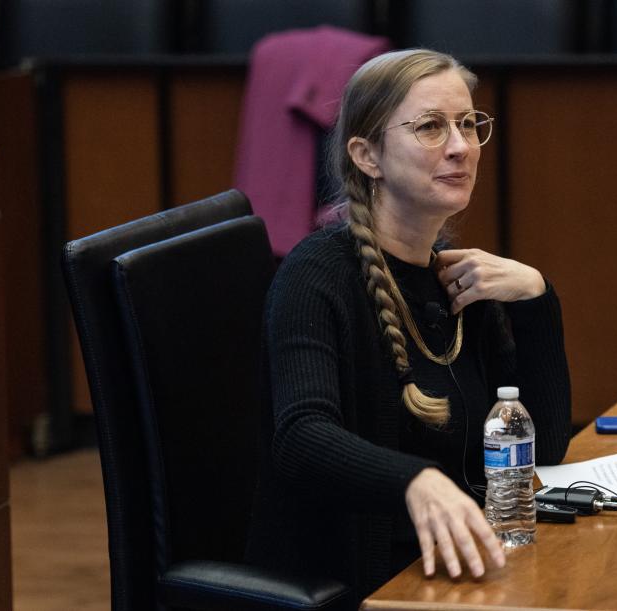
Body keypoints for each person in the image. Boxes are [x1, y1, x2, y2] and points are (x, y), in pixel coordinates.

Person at [245, 48, 572, 604]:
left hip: (459, 562)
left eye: (468, 124)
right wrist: (416, 481)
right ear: (367, 155)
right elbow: (300, 438)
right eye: (430, 127)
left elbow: (546, 445)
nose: (461, 147)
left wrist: (537, 300)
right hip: (364, 580)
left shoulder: (459, 279)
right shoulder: (315, 277)